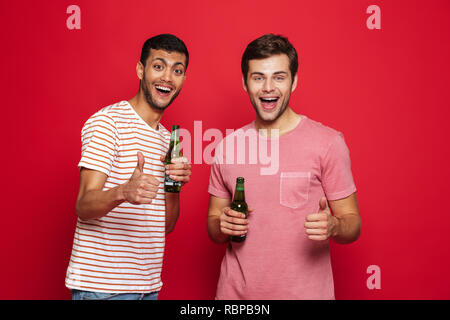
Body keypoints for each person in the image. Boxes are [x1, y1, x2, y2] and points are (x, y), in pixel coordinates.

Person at [207, 34, 361, 300]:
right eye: (258, 77)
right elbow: (213, 224)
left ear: (294, 81)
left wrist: (335, 226)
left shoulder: (328, 143)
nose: (268, 87)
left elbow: (353, 223)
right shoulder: (227, 147)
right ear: (245, 83)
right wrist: (223, 224)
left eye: (279, 77)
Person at [65, 34, 192, 300]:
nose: (167, 77)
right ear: (140, 69)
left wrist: (175, 187)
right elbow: (84, 205)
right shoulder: (108, 123)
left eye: (177, 70)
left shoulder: (166, 140)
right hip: (103, 289)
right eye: (159, 66)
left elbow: (166, 225)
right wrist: (123, 191)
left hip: (147, 288)